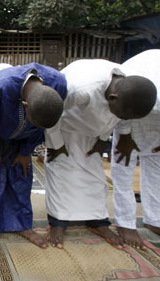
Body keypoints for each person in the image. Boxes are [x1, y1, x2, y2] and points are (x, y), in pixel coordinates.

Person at [45, 59, 157, 249]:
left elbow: (114, 119)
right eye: (124, 115)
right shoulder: (80, 88)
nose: (124, 119)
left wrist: (102, 140)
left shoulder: (128, 90)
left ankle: (98, 221)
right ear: (112, 98)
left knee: (95, 177)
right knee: (61, 171)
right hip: (65, 125)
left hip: (94, 131)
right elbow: (53, 112)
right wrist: (55, 144)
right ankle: (58, 222)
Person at [0, 63, 67, 252]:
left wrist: (25, 151)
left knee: (21, 175)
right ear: (25, 104)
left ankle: (22, 225)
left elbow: (43, 126)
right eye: (33, 121)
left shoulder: (58, 85)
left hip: (24, 138)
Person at [110, 49, 160, 250]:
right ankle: (125, 223)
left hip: (153, 109)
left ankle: (155, 218)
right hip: (131, 101)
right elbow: (122, 106)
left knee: (156, 163)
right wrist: (124, 136)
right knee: (124, 166)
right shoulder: (138, 89)